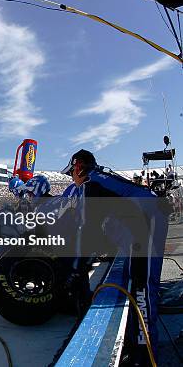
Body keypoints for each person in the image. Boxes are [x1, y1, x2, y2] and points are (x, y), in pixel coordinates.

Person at [60, 149, 168, 365]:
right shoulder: (100, 181)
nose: (71, 177)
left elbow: (88, 232)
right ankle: (138, 347)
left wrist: (74, 270)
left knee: (141, 290)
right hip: (142, 227)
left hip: (145, 226)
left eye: (72, 171)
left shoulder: (92, 185)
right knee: (135, 284)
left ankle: (145, 357)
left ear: (79, 167)